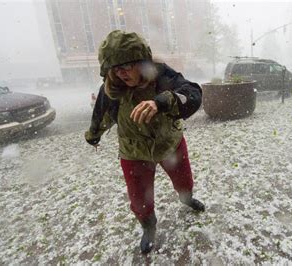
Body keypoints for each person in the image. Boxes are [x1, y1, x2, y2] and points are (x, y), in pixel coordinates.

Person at [85, 30, 205, 254]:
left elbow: (192, 94)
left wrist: (162, 102)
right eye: (115, 68)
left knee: (184, 182)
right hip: (133, 152)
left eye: (126, 66)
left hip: (170, 144)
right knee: (139, 199)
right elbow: (101, 115)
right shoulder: (111, 89)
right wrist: (93, 136)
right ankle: (149, 227)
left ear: (141, 62)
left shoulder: (161, 75)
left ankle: (187, 198)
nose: (121, 73)